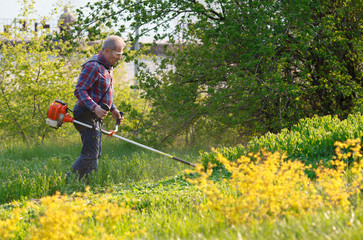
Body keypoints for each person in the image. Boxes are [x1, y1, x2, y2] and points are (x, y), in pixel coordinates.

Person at [70, 35, 126, 181]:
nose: (120, 57)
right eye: (118, 54)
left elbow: (102, 93)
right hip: (85, 114)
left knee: (95, 153)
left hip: (94, 115)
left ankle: (88, 185)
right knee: (90, 154)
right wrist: (95, 108)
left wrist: (113, 110)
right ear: (107, 51)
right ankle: (69, 181)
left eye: (122, 54)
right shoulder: (93, 66)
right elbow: (79, 91)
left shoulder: (107, 68)